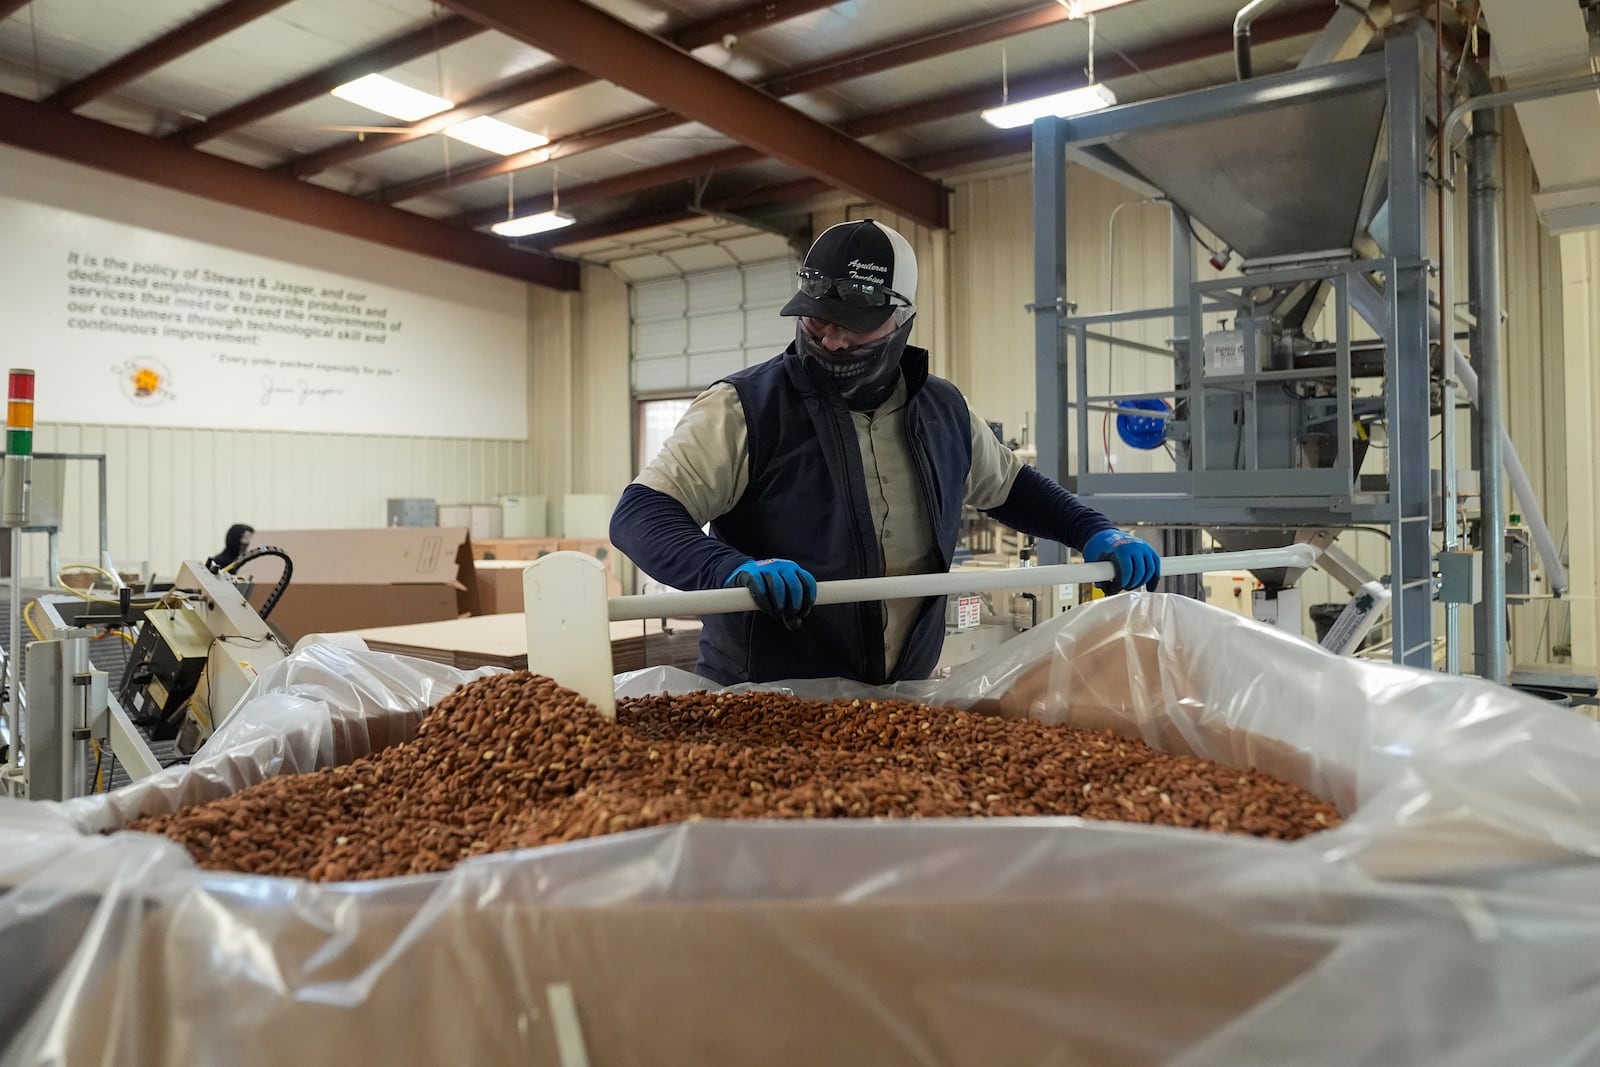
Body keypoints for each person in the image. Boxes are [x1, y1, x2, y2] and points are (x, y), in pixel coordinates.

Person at [610, 218, 1160, 686]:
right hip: (766, 699)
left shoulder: (943, 410)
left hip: (899, 699)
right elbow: (641, 515)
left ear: (903, 319)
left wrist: (1093, 529)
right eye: (817, 320)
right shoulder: (744, 408)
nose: (832, 341)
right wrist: (729, 569)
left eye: (855, 325)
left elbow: (1011, 487)